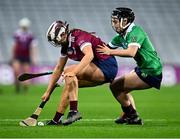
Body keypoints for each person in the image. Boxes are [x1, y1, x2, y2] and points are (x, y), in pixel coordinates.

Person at [41, 20, 118, 125]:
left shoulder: (78, 36)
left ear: (64, 33)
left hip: (106, 66)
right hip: (97, 69)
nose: (57, 43)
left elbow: (89, 55)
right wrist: (48, 91)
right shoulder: (65, 46)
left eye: (57, 40)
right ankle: (56, 120)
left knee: (69, 72)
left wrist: (74, 72)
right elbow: (58, 68)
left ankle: (74, 111)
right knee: (69, 83)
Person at [97, 7, 163, 125]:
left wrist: (110, 52)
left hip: (151, 71)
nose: (113, 24)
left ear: (125, 21)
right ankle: (128, 114)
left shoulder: (136, 32)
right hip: (142, 68)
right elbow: (103, 49)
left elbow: (131, 52)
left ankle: (132, 116)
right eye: (112, 21)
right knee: (122, 89)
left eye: (116, 21)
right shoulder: (121, 36)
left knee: (115, 86)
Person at [11, 17, 38, 93]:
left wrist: (33, 58)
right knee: (16, 71)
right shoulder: (17, 34)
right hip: (18, 56)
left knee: (26, 74)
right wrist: (13, 56)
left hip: (26, 56)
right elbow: (14, 46)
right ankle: (17, 87)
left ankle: (25, 89)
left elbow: (33, 47)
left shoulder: (31, 35)